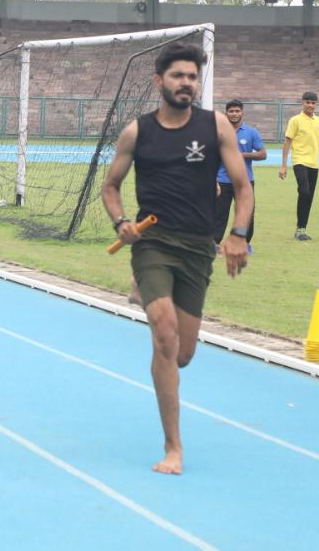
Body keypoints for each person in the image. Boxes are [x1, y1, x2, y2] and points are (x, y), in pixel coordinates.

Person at [101, 42, 253, 476]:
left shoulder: (216, 126)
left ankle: (149, 293)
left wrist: (238, 235)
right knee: (164, 337)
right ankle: (174, 448)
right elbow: (110, 187)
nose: (186, 83)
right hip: (153, 242)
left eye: (192, 76)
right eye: (177, 76)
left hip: (197, 247)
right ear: (159, 82)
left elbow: (243, 187)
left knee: (183, 354)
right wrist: (120, 223)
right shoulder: (137, 132)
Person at [213, 99, 266, 254]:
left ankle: (245, 243)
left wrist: (242, 155)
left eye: (237, 111)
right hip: (223, 180)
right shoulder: (219, 133)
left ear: (242, 113)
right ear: (226, 113)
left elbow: (263, 154)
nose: (234, 114)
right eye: (231, 111)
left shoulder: (251, 132)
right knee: (219, 213)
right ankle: (214, 243)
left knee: (246, 212)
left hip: (244, 180)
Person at [278, 91, 319, 241]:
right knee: (305, 192)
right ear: (302, 103)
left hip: (314, 164)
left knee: (309, 197)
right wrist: (283, 165)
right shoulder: (295, 120)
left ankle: (301, 229)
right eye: (307, 102)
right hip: (299, 161)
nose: (310, 105)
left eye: (313, 103)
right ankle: (300, 228)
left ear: (316, 104)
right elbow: (287, 142)